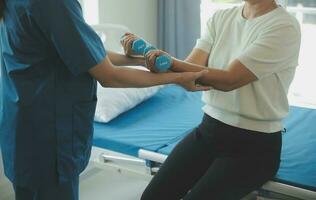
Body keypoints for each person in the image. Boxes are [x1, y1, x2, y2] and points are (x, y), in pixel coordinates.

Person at [0, 0, 209, 200]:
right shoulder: (52, 3)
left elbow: (84, 50)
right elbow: (109, 77)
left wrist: (138, 60)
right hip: (48, 136)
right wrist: (178, 78)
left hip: (22, 130)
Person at [122, 0, 301, 199]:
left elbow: (229, 80)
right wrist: (146, 54)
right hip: (208, 132)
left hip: (253, 147)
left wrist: (169, 62)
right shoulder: (221, 18)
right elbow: (188, 70)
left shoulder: (283, 26)